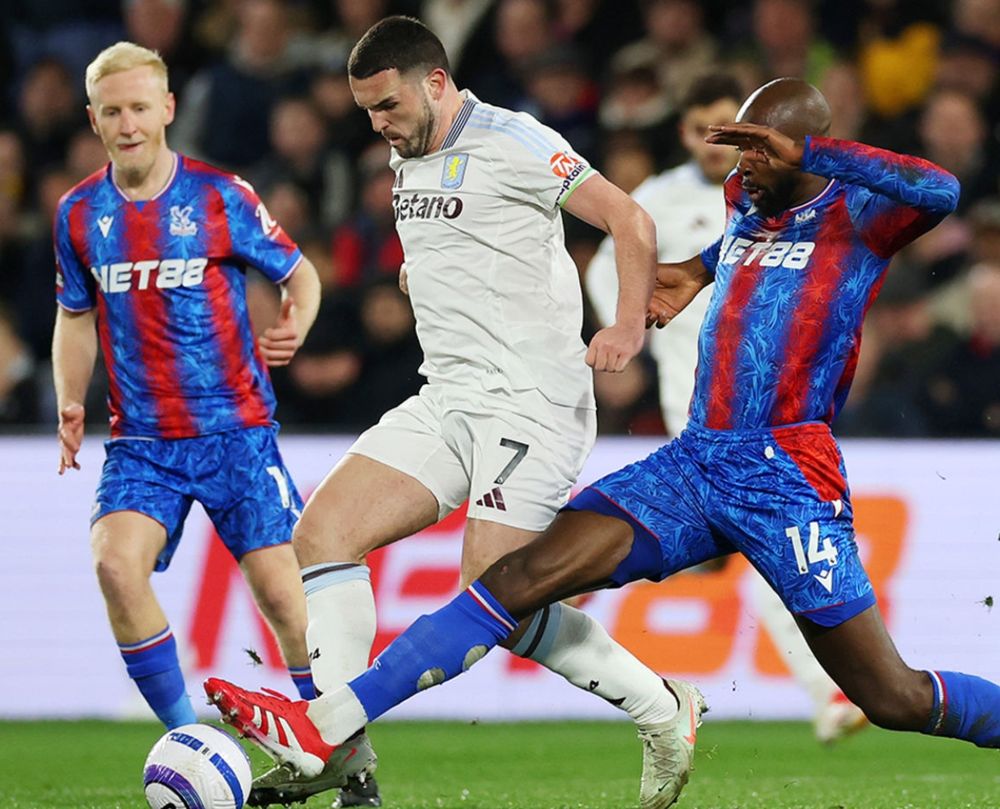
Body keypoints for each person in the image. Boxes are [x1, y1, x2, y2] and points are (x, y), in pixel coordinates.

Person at [205, 77, 1000, 807]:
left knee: (890, 696)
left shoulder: (862, 217)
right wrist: (696, 267)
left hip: (786, 471)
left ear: (798, 150)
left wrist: (813, 152)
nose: (740, 165)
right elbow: (751, 249)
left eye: (760, 149)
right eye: (741, 149)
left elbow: (944, 188)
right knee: (517, 579)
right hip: (697, 461)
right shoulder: (744, 200)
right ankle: (326, 726)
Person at [226, 15, 705, 809]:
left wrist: (624, 325)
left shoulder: (516, 138)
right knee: (320, 536)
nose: (378, 125)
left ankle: (662, 704)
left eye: (387, 106)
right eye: (368, 111)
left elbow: (631, 219)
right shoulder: (407, 153)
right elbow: (463, 246)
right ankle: (346, 758)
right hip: (448, 395)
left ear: (436, 83)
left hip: (534, 400)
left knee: (497, 599)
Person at [586, 72, 867, 744]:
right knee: (766, 545)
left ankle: (554, 599)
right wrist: (628, 327)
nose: (717, 144)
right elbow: (605, 270)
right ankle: (828, 691)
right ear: (685, 133)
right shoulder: (654, 199)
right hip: (704, 416)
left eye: (729, 126)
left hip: (774, 409)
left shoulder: (766, 194)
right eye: (702, 127)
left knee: (685, 549)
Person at [53, 42, 322, 739]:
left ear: (167, 108)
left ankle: (342, 743)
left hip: (236, 430)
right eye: (112, 111)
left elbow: (301, 274)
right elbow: (74, 317)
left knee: (283, 598)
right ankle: (189, 736)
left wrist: (297, 322)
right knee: (115, 564)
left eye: (141, 106)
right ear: (94, 119)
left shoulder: (220, 196)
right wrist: (70, 396)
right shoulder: (78, 214)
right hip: (142, 442)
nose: (129, 122)